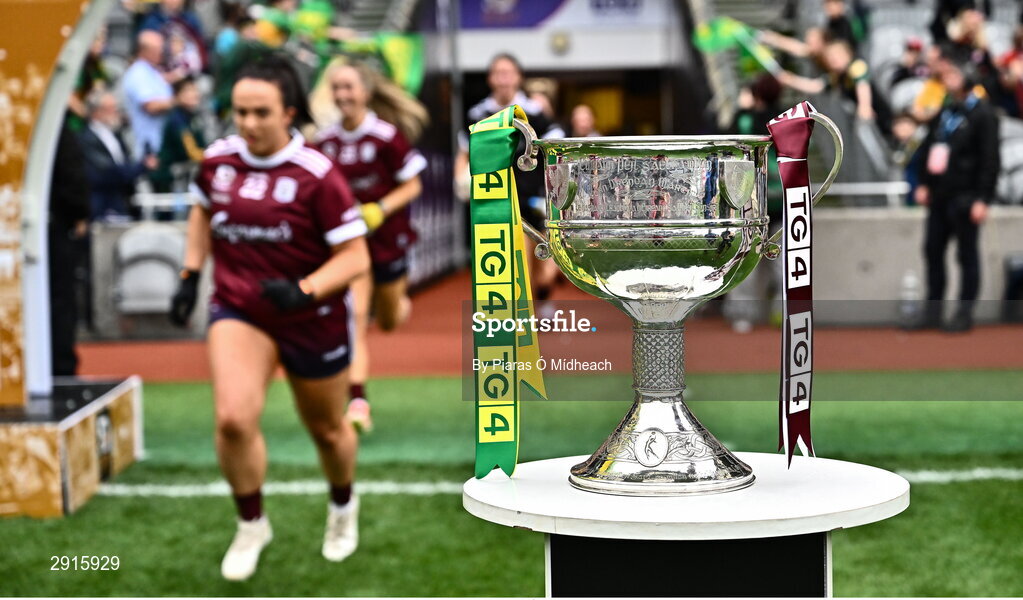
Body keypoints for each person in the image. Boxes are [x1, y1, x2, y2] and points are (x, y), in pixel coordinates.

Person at [168, 54, 371, 580]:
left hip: (312, 315)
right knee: (233, 419)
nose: (249, 124)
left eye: (261, 112)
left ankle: (343, 508)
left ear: (289, 113)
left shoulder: (318, 176)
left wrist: (304, 290)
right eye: (240, 112)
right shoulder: (216, 162)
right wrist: (191, 275)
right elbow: (201, 210)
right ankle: (252, 523)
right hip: (240, 309)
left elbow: (355, 258)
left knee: (327, 429)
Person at [313, 61, 428, 433]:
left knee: (391, 320)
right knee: (355, 319)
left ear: (365, 91)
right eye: (337, 87)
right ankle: (358, 401)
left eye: (349, 87)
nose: (342, 95)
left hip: (388, 239)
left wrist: (380, 209)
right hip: (352, 247)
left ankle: (398, 304)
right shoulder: (325, 142)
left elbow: (413, 185)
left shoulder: (385, 136)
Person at [454, 53, 565, 306]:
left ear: (518, 77)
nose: (503, 79)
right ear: (490, 79)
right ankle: (517, 319)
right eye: (498, 73)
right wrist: (460, 180)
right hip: (493, 198)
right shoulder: (478, 114)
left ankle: (541, 295)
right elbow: (464, 152)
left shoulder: (535, 112)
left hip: (531, 196)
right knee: (512, 265)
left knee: (539, 270)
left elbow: (556, 149)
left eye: (508, 73)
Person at [909, 48, 1000, 332]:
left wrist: (983, 199)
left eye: (953, 74)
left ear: (968, 77)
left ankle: (964, 312)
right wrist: (923, 182)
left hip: (966, 195)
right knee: (933, 250)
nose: (947, 79)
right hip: (940, 194)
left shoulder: (983, 114)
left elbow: (990, 159)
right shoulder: (946, 109)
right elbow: (928, 148)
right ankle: (933, 311)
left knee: (966, 255)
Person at [78, 90, 158, 220]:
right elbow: (107, 172)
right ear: (96, 112)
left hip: (122, 203)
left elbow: (123, 164)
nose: (116, 112)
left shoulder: (115, 134)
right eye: (111, 108)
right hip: (102, 206)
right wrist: (141, 167)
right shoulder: (86, 138)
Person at [121, 30, 175, 160]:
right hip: (147, 148)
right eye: (157, 48)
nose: (161, 52)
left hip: (162, 144)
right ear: (143, 50)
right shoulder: (138, 73)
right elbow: (150, 106)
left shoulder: (152, 71)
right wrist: (178, 102)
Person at [152, 76, 206, 193]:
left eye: (194, 89)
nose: (193, 94)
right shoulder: (177, 119)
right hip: (172, 179)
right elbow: (191, 152)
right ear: (177, 96)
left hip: (185, 175)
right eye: (187, 90)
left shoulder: (192, 116)